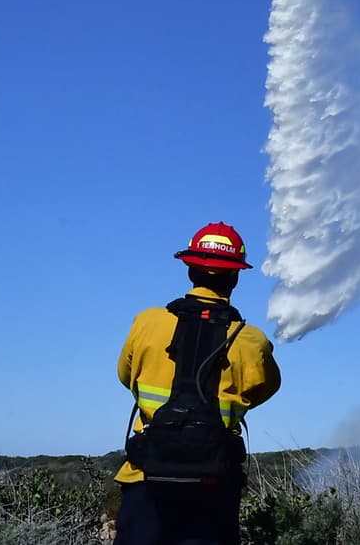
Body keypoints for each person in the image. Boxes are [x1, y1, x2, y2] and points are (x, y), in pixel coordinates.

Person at [113, 222, 281, 545]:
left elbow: (125, 377)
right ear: (235, 277)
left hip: (145, 481)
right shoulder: (252, 342)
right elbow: (267, 388)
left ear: (189, 269)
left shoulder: (146, 324)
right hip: (213, 489)